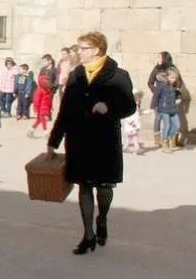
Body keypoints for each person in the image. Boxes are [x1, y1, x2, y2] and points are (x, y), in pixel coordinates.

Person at [47, 31, 136, 255]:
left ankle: (102, 218)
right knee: (84, 186)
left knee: (104, 187)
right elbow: (65, 109)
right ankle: (88, 235)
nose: (78, 52)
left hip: (104, 141)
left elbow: (130, 106)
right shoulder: (77, 74)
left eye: (82, 48)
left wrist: (109, 107)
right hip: (79, 139)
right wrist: (54, 141)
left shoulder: (118, 75)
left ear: (96, 50)